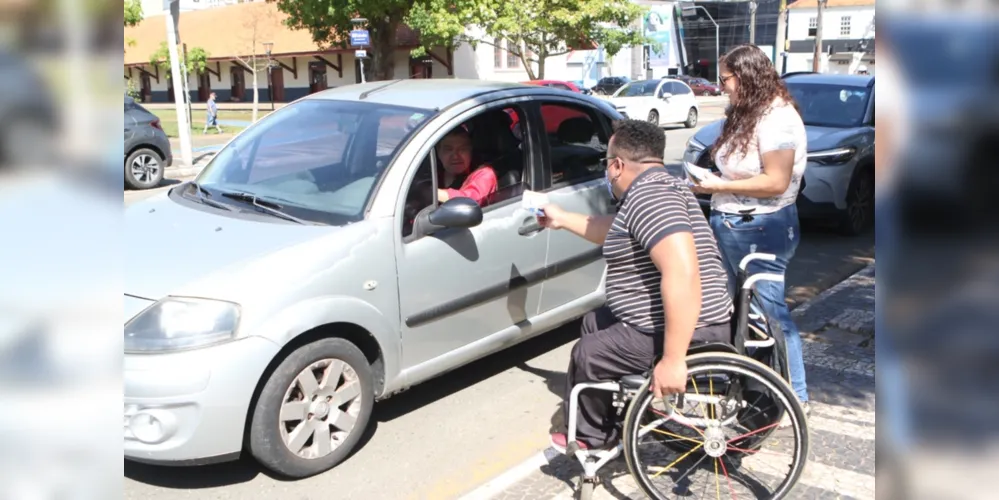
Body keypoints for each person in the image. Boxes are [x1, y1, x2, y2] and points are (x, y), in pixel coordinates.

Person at [540, 119, 733, 452]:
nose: (606, 173)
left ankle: (595, 439)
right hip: (691, 318)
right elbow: (613, 229)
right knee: (594, 321)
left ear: (617, 165)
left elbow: (682, 273)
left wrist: (673, 360)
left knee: (588, 353)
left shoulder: (651, 197)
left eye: (606, 165)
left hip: (696, 328)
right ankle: (611, 412)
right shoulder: (658, 187)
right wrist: (560, 219)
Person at [688, 44, 810, 419]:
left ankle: (795, 397)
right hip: (736, 221)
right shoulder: (750, 112)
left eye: (724, 79)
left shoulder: (778, 119)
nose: (721, 86)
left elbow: (776, 181)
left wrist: (716, 187)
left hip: (759, 226)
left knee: (770, 312)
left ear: (746, 76)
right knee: (745, 312)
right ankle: (752, 383)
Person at [435, 127, 498, 207]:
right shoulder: (432, 175)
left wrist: (432, 194)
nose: (455, 156)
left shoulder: (485, 174)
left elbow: (470, 201)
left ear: (470, 151)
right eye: (448, 150)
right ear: (438, 153)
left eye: (462, 149)